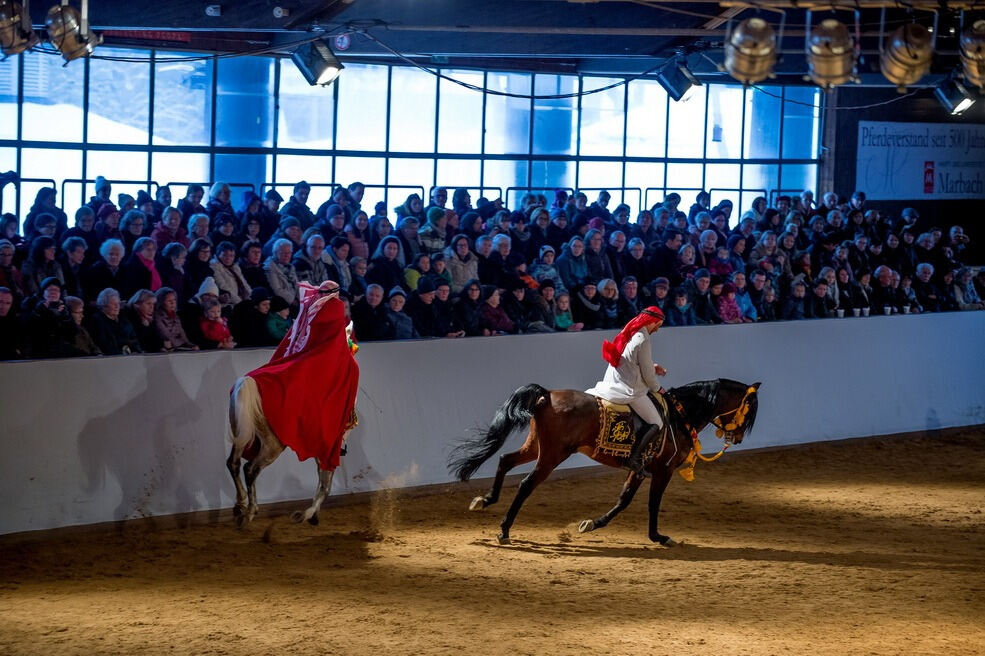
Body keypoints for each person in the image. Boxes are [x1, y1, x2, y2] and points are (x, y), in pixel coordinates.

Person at [245, 280, 358, 472]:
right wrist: (350, 348)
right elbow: (338, 342)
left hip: (305, 353)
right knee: (351, 374)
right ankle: (336, 438)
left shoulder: (310, 305)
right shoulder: (335, 306)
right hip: (320, 359)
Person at [586, 306, 667, 477]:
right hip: (628, 389)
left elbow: (630, 362)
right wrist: (657, 388)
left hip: (612, 381)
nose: (657, 329)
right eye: (658, 325)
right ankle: (634, 459)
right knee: (657, 423)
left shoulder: (629, 331)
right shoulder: (643, 338)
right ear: (652, 322)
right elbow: (646, 372)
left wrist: (653, 367)